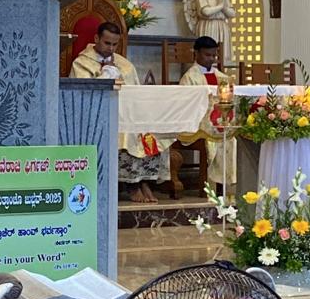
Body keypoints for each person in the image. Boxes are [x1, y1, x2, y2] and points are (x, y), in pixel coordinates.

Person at [69, 21, 174, 203]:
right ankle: (131, 185)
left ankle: (144, 181)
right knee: (126, 134)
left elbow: (136, 95)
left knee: (152, 131)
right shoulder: (82, 63)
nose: (111, 48)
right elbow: (84, 96)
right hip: (98, 117)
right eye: (107, 43)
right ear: (96, 39)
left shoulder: (124, 64)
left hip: (127, 113)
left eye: (114, 44)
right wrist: (107, 73)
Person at [180, 35, 235, 186]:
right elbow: (186, 105)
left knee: (232, 135)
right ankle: (212, 184)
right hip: (198, 122)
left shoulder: (222, 78)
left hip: (219, 121)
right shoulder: (189, 78)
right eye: (207, 55)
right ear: (196, 53)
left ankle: (226, 184)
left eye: (214, 55)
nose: (211, 59)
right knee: (215, 137)